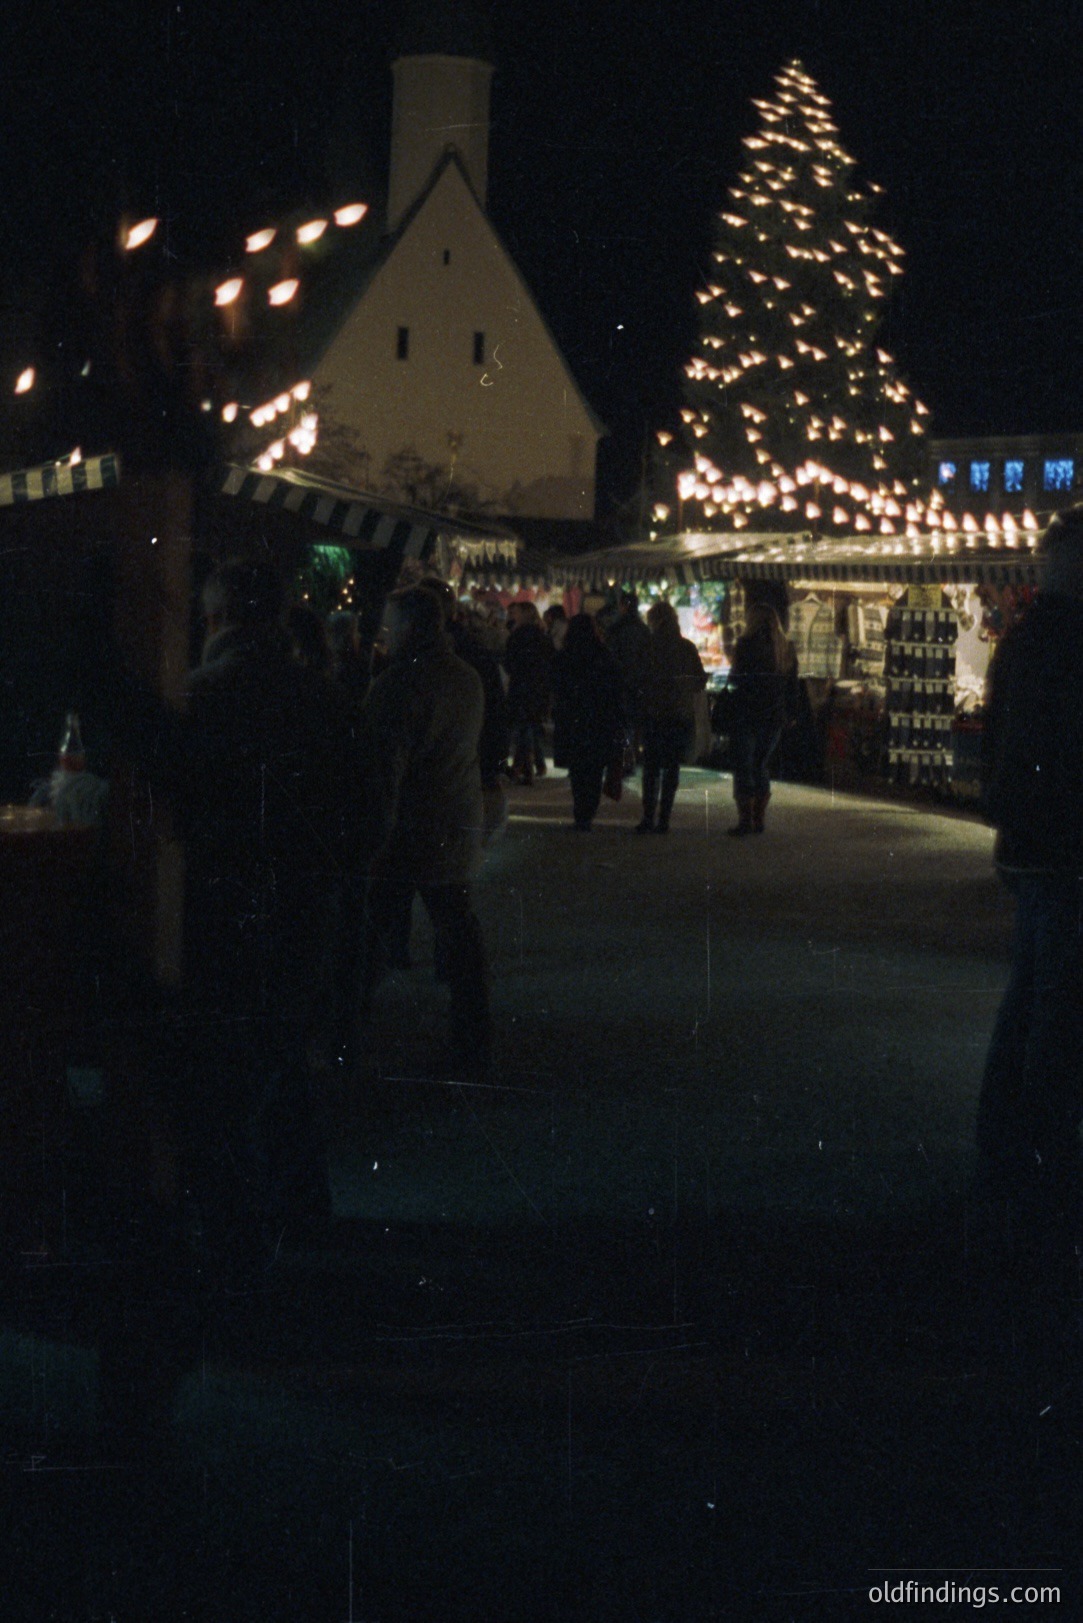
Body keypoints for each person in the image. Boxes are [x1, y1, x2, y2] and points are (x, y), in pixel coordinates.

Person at [139, 559, 356, 1279]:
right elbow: (368, 813)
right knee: (280, 1055)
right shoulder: (324, 700)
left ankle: (239, 1250)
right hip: (302, 908)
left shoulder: (199, 698)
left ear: (215, 618)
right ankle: (302, 1209)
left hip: (218, 909)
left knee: (217, 1079)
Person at [975, 506, 1083, 1225]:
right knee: (1053, 998)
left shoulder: (1021, 642)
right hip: (1062, 843)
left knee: (1031, 990)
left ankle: (1006, 1136)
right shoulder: (1067, 644)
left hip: (1027, 841)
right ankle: (1037, 1147)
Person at [356, 585, 491, 1080]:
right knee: (457, 929)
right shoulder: (467, 678)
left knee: (371, 932)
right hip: (455, 819)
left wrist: (372, 833)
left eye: (393, 624)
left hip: (410, 826)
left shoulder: (399, 685)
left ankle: (347, 1029)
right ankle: (473, 1034)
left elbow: (385, 769)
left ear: (409, 626)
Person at [726, 602, 799, 836]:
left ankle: (745, 820)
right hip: (774, 715)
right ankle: (759, 819)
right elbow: (793, 686)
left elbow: (737, 678)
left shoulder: (745, 645)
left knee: (744, 765)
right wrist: (791, 714)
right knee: (760, 765)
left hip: (746, 713)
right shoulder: (786, 647)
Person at [636, 600, 707, 833]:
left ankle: (648, 817)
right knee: (671, 768)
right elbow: (700, 680)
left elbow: (637, 680)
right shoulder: (686, 647)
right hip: (679, 714)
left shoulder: (647, 646)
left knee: (651, 768)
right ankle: (664, 818)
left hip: (652, 714)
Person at [551, 613, 626, 832]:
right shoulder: (604, 655)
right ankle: (587, 811)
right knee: (593, 768)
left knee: (578, 769)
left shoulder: (565, 656)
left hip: (573, 719)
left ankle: (580, 812)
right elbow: (615, 688)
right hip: (598, 719)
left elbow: (557, 685)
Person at [503, 600, 553, 784]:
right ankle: (527, 766)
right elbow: (550, 664)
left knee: (524, 727)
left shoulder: (516, 637)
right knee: (530, 725)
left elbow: (508, 663)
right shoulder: (543, 638)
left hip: (520, 686)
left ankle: (524, 768)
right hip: (538, 688)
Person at [604, 589, 652, 759]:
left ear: (623, 606)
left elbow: (611, 655)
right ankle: (634, 751)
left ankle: (624, 754)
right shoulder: (644, 630)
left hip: (620, 681)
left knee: (622, 721)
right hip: (639, 682)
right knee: (636, 719)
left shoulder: (616, 629)